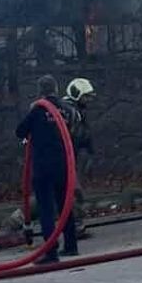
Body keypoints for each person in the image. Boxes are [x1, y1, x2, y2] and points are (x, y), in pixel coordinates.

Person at [15, 75, 80, 263]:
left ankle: (51, 251)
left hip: (43, 165)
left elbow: (20, 131)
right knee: (65, 205)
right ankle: (71, 245)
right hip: (64, 163)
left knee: (46, 209)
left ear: (39, 90)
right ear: (56, 88)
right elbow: (75, 126)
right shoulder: (66, 109)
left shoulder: (37, 110)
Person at [64, 78, 96, 238]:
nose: (89, 100)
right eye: (86, 96)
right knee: (74, 192)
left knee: (65, 194)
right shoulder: (69, 111)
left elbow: (84, 135)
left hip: (70, 158)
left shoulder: (77, 111)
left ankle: (76, 225)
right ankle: (76, 227)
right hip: (64, 159)